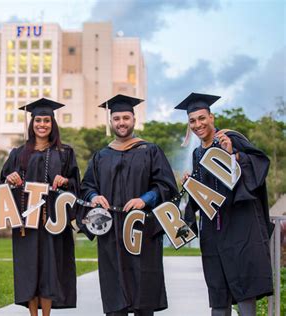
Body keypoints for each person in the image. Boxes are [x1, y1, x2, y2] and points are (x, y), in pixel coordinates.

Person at [175, 92, 273, 316]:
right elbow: (204, 198)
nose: (198, 124)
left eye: (202, 118)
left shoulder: (230, 139)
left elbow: (259, 164)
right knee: (218, 294)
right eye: (192, 121)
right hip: (213, 233)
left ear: (211, 117)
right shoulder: (197, 154)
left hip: (240, 228)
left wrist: (234, 155)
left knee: (245, 290)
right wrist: (192, 184)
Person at [79, 95, 178, 316]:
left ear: (134, 119)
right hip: (111, 232)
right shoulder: (101, 156)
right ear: (111, 122)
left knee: (144, 292)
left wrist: (145, 199)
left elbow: (166, 185)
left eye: (125, 117)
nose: (121, 122)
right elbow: (86, 186)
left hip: (142, 229)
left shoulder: (150, 150)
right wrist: (94, 196)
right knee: (116, 295)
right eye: (116, 118)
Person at [0, 98, 80, 316]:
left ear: (53, 124)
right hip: (26, 222)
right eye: (38, 120)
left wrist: (65, 181)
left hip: (53, 222)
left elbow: (76, 185)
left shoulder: (64, 152)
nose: (42, 124)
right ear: (31, 123)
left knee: (49, 271)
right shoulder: (18, 153)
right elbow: (3, 182)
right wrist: (10, 177)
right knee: (29, 271)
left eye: (46, 120)